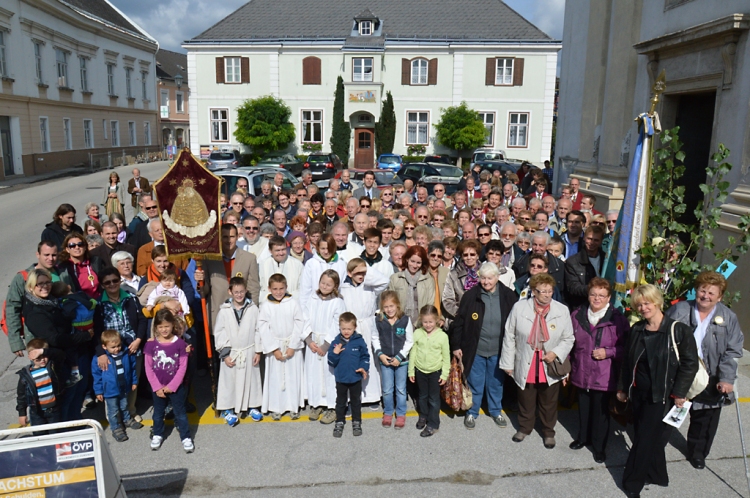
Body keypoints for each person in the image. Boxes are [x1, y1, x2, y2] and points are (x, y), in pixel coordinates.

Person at [617, 284, 698, 496]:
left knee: (643, 440)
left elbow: (690, 364)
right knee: (648, 436)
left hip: (662, 396)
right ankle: (658, 475)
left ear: (657, 302)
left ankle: (632, 483)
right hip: (638, 393)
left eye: (647, 302)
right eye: (639, 304)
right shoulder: (637, 329)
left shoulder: (678, 330)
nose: (644, 308)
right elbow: (627, 362)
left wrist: (680, 392)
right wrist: (622, 388)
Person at [665, 272, 744, 470]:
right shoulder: (679, 310)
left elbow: (732, 350)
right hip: (681, 370)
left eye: (711, 292)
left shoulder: (728, 317)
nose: (705, 296)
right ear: (696, 291)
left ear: (720, 297)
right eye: (702, 290)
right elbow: (664, 338)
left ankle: (698, 453)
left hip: (711, 373)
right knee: (668, 410)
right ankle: (656, 445)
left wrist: (726, 378)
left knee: (705, 418)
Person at [499, 273, 574, 448]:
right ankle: (525, 428)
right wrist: (508, 363)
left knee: (549, 401)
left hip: (548, 362)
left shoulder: (561, 310)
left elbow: (568, 338)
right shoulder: (519, 308)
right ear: (533, 291)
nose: (547, 294)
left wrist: (555, 353)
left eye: (550, 291)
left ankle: (548, 432)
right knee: (526, 398)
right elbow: (509, 336)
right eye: (543, 291)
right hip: (527, 359)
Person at [452, 262, 518, 429]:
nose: (486, 282)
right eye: (483, 278)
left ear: (497, 278)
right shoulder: (471, 296)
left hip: (498, 349)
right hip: (476, 349)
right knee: (475, 382)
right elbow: (459, 323)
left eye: (490, 278)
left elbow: (516, 324)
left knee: (496, 383)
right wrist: (456, 345)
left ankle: (495, 410)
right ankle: (472, 412)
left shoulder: (508, 296)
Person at [568, 278, 629, 463]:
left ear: (609, 297)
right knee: (584, 408)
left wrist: (609, 352)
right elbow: (569, 342)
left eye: (602, 295)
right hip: (581, 370)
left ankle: (599, 446)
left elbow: (627, 348)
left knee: (601, 413)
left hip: (604, 374)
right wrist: (567, 367)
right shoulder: (577, 315)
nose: (597, 298)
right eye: (593, 294)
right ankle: (582, 437)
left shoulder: (618, 319)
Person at [94, 266, 148, 422]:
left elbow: (142, 320)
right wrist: (101, 353)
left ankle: (130, 411)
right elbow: (96, 331)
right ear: (103, 285)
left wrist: (138, 340)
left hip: (131, 348)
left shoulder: (131, 297)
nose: (112, 284)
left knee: (132, 381)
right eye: (107, 282)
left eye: (115, 280)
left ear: (120, 280)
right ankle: (115, 417)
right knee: (112, 384)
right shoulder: (99, 304)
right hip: (111, 351)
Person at [214, 276, 263, 426]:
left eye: (242, 291)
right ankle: (227, 409)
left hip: (249, 350)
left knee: (251, 379)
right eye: (236, 292)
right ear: (230, 292)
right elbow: (219, 332)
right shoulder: (224, 311)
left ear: (246, 291)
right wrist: (225, 353)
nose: (239, 295)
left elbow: (258, 330)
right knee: (229, 381)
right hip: (232, 352)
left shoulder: (253, 309)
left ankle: (252, 406)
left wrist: (258, 351)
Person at [340, 258, 389, 405]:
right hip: (351, 327)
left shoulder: (370, 286)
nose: (361, 276)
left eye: (364, 273)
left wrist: (367, 271)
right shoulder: (343, 288)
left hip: (367, 326)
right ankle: (351, 398)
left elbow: (384, 281)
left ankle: (372, 395)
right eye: (357, 273)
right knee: (351, 360)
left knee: (369, 359)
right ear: (349, 273)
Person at [258, 274, 306, 420]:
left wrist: (293, 345)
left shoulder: (293, 303)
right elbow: (263, 328)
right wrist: (274, 349)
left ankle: (293, 406)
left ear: (286, 288)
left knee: (292, 377)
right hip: (275, 347)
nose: (278, 292)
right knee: (275, 377)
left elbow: (299, 323)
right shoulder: (266, 306)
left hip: (291, 346)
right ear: (269, 289)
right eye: (275, 289)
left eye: (281, 288)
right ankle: (276, 407)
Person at [145, 309, 193, 453]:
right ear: (155, 328)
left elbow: (183, 366)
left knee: (180, 413)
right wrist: (156, 387)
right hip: (158, 388)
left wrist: (173, 385)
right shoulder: (151, 345)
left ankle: (186, 437)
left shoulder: (180, 344)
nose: (164, 330)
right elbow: (148, 367)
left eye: (167, 326)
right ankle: (157, 434)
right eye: (160, 327)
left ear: (172, 325)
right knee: (158, 413)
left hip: (176, 387)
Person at [195, 224, 260, 330]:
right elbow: (205, 291)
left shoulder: (249, 259)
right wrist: (200, 281)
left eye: (232, 237)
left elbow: (254, 289)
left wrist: (253, 312)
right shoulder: (209, 259)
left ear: (237, 237)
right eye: (225, 237)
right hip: (217, 315)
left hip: (242, 315)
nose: (228, 240)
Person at [303, 270, 346, 425]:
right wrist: (309, 340)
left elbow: (338, 324)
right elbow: (305, 318)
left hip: (329, 344)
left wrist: (326, 344)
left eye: (329, 284)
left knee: (329, 375)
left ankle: (332, 406)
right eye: (322, 283)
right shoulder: (312, 298)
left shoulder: (338, 302)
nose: (325, 286)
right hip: (313, 343)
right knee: (314, 374)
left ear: (335, 286)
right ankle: (316, 404)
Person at [6, 241, 59, 357]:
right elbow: (12, 308)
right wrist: (15, 341)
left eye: (54, 255)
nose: (50, 258)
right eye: (46, 255)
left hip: (60, 335)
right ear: (38, 254)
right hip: (36, 339)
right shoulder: (23, 278)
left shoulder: (62, 273)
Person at [373, 291, 413, 429]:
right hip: (385, 360)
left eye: (392, 306)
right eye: (386, 307)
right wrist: (380, 354)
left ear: (397, 305)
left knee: (401, 389)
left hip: (401, 362)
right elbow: (375, 338)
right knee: (387, 389)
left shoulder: (405, 320)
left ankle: (401, 414)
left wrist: (399, 357)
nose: (389, 309)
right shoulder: (378, 320)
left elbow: (409, 341)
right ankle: (388, 412)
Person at [91, 330, 140, 442]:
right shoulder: (99, 359)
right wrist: (98, 391)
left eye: (118, 345)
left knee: (124, 405)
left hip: (124, 386)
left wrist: (133, 381)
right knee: (113, 411)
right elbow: (97, 376)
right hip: (110, 390)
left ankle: (127, 419)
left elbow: (132, 369)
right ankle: (116, 427)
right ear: (104, 346)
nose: (117, 349)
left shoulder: (126, 354)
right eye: (113, 347)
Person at [408, 305, 450, 437]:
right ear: (421, 320)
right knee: (422, 396)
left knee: (433, 399)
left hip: (435, 372)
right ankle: (423, 416)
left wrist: (444, 374)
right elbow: (413, 352)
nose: (427, 325)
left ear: (437, 320)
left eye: (430, 322)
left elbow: (446, 357)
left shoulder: (442, 336)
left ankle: (433, 423)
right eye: (425, 322)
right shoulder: (417, 333)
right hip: (420, 370)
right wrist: (411, 371)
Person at [328, 311, 370, 438]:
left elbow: (365, 356)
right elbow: (330, 361)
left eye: (349, 329)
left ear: (355, 328)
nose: (346, 331)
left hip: (355, 378)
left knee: (356, 401)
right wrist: (334, 353)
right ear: (339, 328)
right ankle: (339, 421)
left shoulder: (359, 341)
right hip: (341, 379)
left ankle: (356, 421)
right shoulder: (336, 342)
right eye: (343, 329)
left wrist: (364, 367)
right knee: (340, 402)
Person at [16, 339, 67, 430]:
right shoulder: (26, 376)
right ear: (31, 357)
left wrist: (42, 351)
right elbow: (21, 396)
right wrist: (22, 413)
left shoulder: (52, 367)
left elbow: (61, 355)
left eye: (44, 356)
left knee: (56, 435)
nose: (42, 359)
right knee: (39, 435)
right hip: (37, 413)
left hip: (54, 410)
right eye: (38, 358)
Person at [388, 245, 435, 328]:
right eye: (412, 261)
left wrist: (419, 323)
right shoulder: (395, 278)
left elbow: (430, 303)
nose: (415, 265)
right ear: (407, 259)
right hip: (400, 322)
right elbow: (391, 302)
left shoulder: (428, 279)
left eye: (418, 263)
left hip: (421, 323)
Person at [299, 234, 346, 310]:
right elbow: (305, 289)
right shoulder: (311, 264)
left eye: (329, 248)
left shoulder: (341, 264)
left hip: (334, 306)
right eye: (323, 248)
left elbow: (343, 289)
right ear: (318, 248)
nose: (326, 251)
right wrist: (303, 310)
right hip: (314, 306)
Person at [442, 239, 482, 327]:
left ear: (477, 256)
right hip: (459, 319)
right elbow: (447, 300)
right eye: (465, 255)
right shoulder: (453, 274)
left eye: (472, 254)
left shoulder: (485, 272)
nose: (469, 257)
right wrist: (462, 314)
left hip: (481, 319)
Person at [564, 225, 605, 309]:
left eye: (596, 240)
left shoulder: (606, 260)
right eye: (589, 239)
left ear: (601, 241)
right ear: (584, 238)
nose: (592, 243)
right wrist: (593, 290)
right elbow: (573, 287)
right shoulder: (573, 261)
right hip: (582, 306)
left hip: (604, 304)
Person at [259, 236, 303, 303]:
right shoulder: (262, 265)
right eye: (277, 250)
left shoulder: (297, 264)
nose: (281, 253)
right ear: (270, 251)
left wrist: (287, 298)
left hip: (291, 304)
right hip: (269, 305)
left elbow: (302, 288)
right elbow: (259, 288)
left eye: (283, 249)